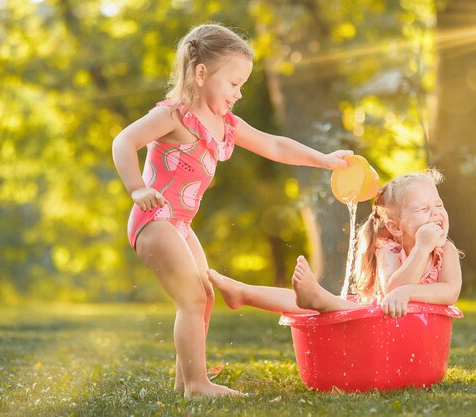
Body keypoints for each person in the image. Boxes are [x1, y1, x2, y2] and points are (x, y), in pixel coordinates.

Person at [111, 23, 352, 398]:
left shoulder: (223, 124)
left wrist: (325, 161)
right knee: (190, 298)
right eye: (234, 84)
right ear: (202, 73)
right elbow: (123, 141)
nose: (238, 94)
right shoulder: (173, 116)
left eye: (242, 85)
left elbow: (276, 146)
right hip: (154, 220)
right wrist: (137, 188)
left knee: (205, 296)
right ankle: (197, 385)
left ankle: (185, 381)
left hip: (178, 223)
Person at [208, 168, 462, 319]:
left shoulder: (445, 251)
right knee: (330, 308)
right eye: (424, 209)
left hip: (412, 337)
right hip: (378, 328)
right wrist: (420, 249)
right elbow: (393, 289)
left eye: (438, 205)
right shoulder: (389, 249)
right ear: (395, 227)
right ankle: (243, 292)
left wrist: (408, 291)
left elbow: (449, 292)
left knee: (325, 304)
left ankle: (315, 299)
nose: (436, 213)